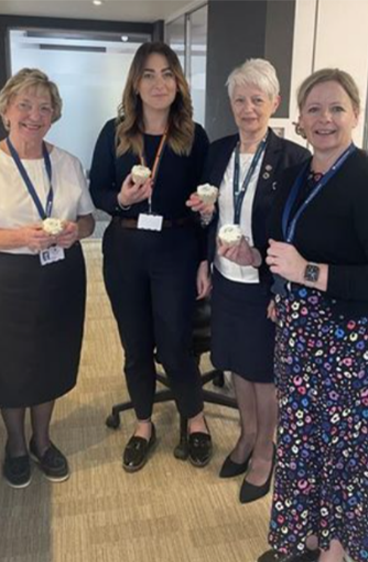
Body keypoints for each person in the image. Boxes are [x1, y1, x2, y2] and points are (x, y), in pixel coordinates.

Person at [254, 68, 368, 562]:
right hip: (299, 335)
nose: (325, 119)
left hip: (349, 343)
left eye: (336, 108)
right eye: (314, 109)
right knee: (299, 442)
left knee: (341, 452)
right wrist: (272, 279)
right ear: (299, 119)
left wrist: (307, 274)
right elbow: (282, 245)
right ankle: (308, 535)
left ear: (356, 115)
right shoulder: (298, 176)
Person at [187, 58, 309, 503]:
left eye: (257, 99)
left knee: (265, 374)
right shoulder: (217, 152)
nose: (248, 108)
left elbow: (298, 231)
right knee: (237, 362)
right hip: (226, 279)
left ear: (274, 102)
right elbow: (208, 211)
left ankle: (264, 449)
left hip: (265, 285)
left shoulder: (294, 158)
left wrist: (280, 286)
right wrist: (205, 257)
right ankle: (245, 433)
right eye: (240, 99)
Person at [89, 41, 212, 473]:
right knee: (135, 344)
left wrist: (204, 258)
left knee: (176, 343)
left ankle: (195, 419)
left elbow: (206, 204)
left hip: (176, 250)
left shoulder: (194, 138)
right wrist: (120, 199)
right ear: (135, 84)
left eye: (167, 74)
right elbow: (98, 189)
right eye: (148, 74)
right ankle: (144, 424)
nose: (158, 84)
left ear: (178, 83)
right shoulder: (115, 132)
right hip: (125, 250)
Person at [0, 68, 95, 489]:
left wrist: (79, 230)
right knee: (11, 365)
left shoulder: (68, 163)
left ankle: (43, 439)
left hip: (60, 276)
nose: (34, 115)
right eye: (24, 105)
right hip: (9, 278)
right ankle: (16, 444)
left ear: (54, 115)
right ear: (6, 110)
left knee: (52, 359)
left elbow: (90, 219)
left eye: (44, 107)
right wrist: (21, 236)